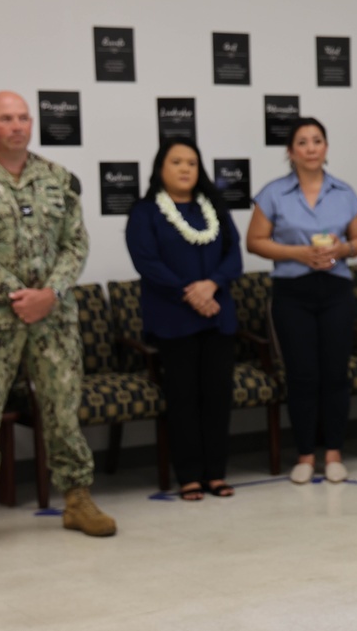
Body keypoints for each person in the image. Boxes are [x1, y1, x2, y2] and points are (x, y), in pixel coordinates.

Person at [0, 91, 117, 555]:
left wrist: (49, 294)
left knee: (62, 408)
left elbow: (75, 245)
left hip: (53, 320)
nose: (17, 125)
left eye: (23, 117)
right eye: (6, 119)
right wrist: (19, 297)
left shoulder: (58, 179)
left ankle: (77, 499)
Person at [247, 117, 357, 484]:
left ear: (326, 148)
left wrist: (341, 248)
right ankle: (303, 455)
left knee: (335, 374)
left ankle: (333, 453)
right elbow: (254, 241)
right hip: (292, 294)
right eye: (303, 142)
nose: (311, 148)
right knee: (301, 375)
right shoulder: (272, 193)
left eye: (318, 140)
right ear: (291, 152)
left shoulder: (344, 192)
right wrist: (299, 253)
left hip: (336, 292)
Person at [126, 137, 242, 501]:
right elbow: (147, 263)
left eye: (191, 162)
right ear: (161, 168)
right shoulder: (145, 213)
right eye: (176, 162)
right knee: (183, 399)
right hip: (173, 320)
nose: (185, 168)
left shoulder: (215, 208)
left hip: (217, 318)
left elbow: (233, 257)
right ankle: (189, 475)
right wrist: (190, 293)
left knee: (217, 397)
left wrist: (211, 286)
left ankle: (216, 474)